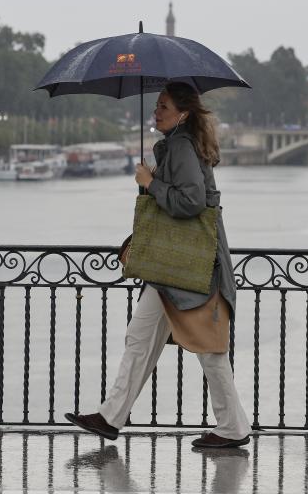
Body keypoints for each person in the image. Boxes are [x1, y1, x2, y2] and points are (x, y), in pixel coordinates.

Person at [65, 81, 251, 449]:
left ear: (182, 112)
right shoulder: (178, 145)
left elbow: (192, 202)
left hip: (188, 268)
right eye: (156, 106)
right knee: (142, 338)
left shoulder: (180, 145)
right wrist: (154, 179)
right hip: (175, 269)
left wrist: (150, 183)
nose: (156, 112)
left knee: (208, 350)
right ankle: (110, 417)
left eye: (163, 106)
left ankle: (232, 427)